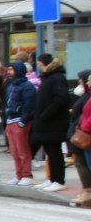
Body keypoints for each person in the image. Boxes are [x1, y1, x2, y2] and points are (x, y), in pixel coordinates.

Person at [29, 53, 72, 191]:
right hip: (46, 122)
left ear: (46, 63)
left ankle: (58, 180)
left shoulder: (57, 78)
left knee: (55, 151)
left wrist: (45, 114)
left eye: (41, 64)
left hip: (54, 122)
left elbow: (61, 99)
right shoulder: (48, 78)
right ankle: (52, 178)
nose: (39, 66)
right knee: (49, 150)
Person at [4, 61, 36, 185]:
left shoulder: (27, 86)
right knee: (14, 151)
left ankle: (27, 175)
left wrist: (23, 121)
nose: (9, 72)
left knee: (23, 150)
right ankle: (19, 175)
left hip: (19, 121)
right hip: (11, 120)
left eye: (11, 69)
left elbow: (29, 105)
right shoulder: (11, 86)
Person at [68, 69, 91, 208]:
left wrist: (84, 128)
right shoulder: (87, 96)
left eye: (88, 81)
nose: (86, 83)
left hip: (87, 135)